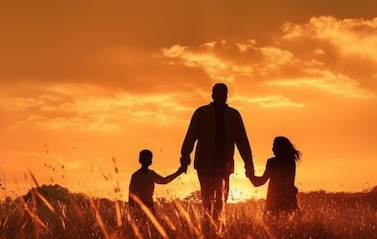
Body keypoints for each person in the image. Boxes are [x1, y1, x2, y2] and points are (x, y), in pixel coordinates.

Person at [180, 83, 254, 219]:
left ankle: (217, 222)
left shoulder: (233, 115)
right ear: (213, 95)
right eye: (218, 93)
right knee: (207, 197)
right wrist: (185, 156)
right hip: (205, 163)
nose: (221, 96)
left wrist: (248, 163)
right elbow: (190, 136)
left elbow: (242, 141)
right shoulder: (201, 113)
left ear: (226, 96)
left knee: (221, 198)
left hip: (224, 165)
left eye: (223, 93)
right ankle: (210, 221)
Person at [248, 136, 301, 215]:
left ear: (279, 148)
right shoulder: (291, 162)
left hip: (274, 200)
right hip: (289, 199)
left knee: (272, 223)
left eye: (274, 146)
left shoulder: (272, 162)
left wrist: (250, 174)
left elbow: (259, 182)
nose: (272, 149)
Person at [128, 149, 185, 215]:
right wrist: (131, 209)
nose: (147, 161)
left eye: (148, 159)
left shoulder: (149, 174)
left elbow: (164, 181)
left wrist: (179, 172)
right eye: (146, 159)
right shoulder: (136, 176)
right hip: (139, 207)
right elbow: (131, 194)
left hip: (149, 206)